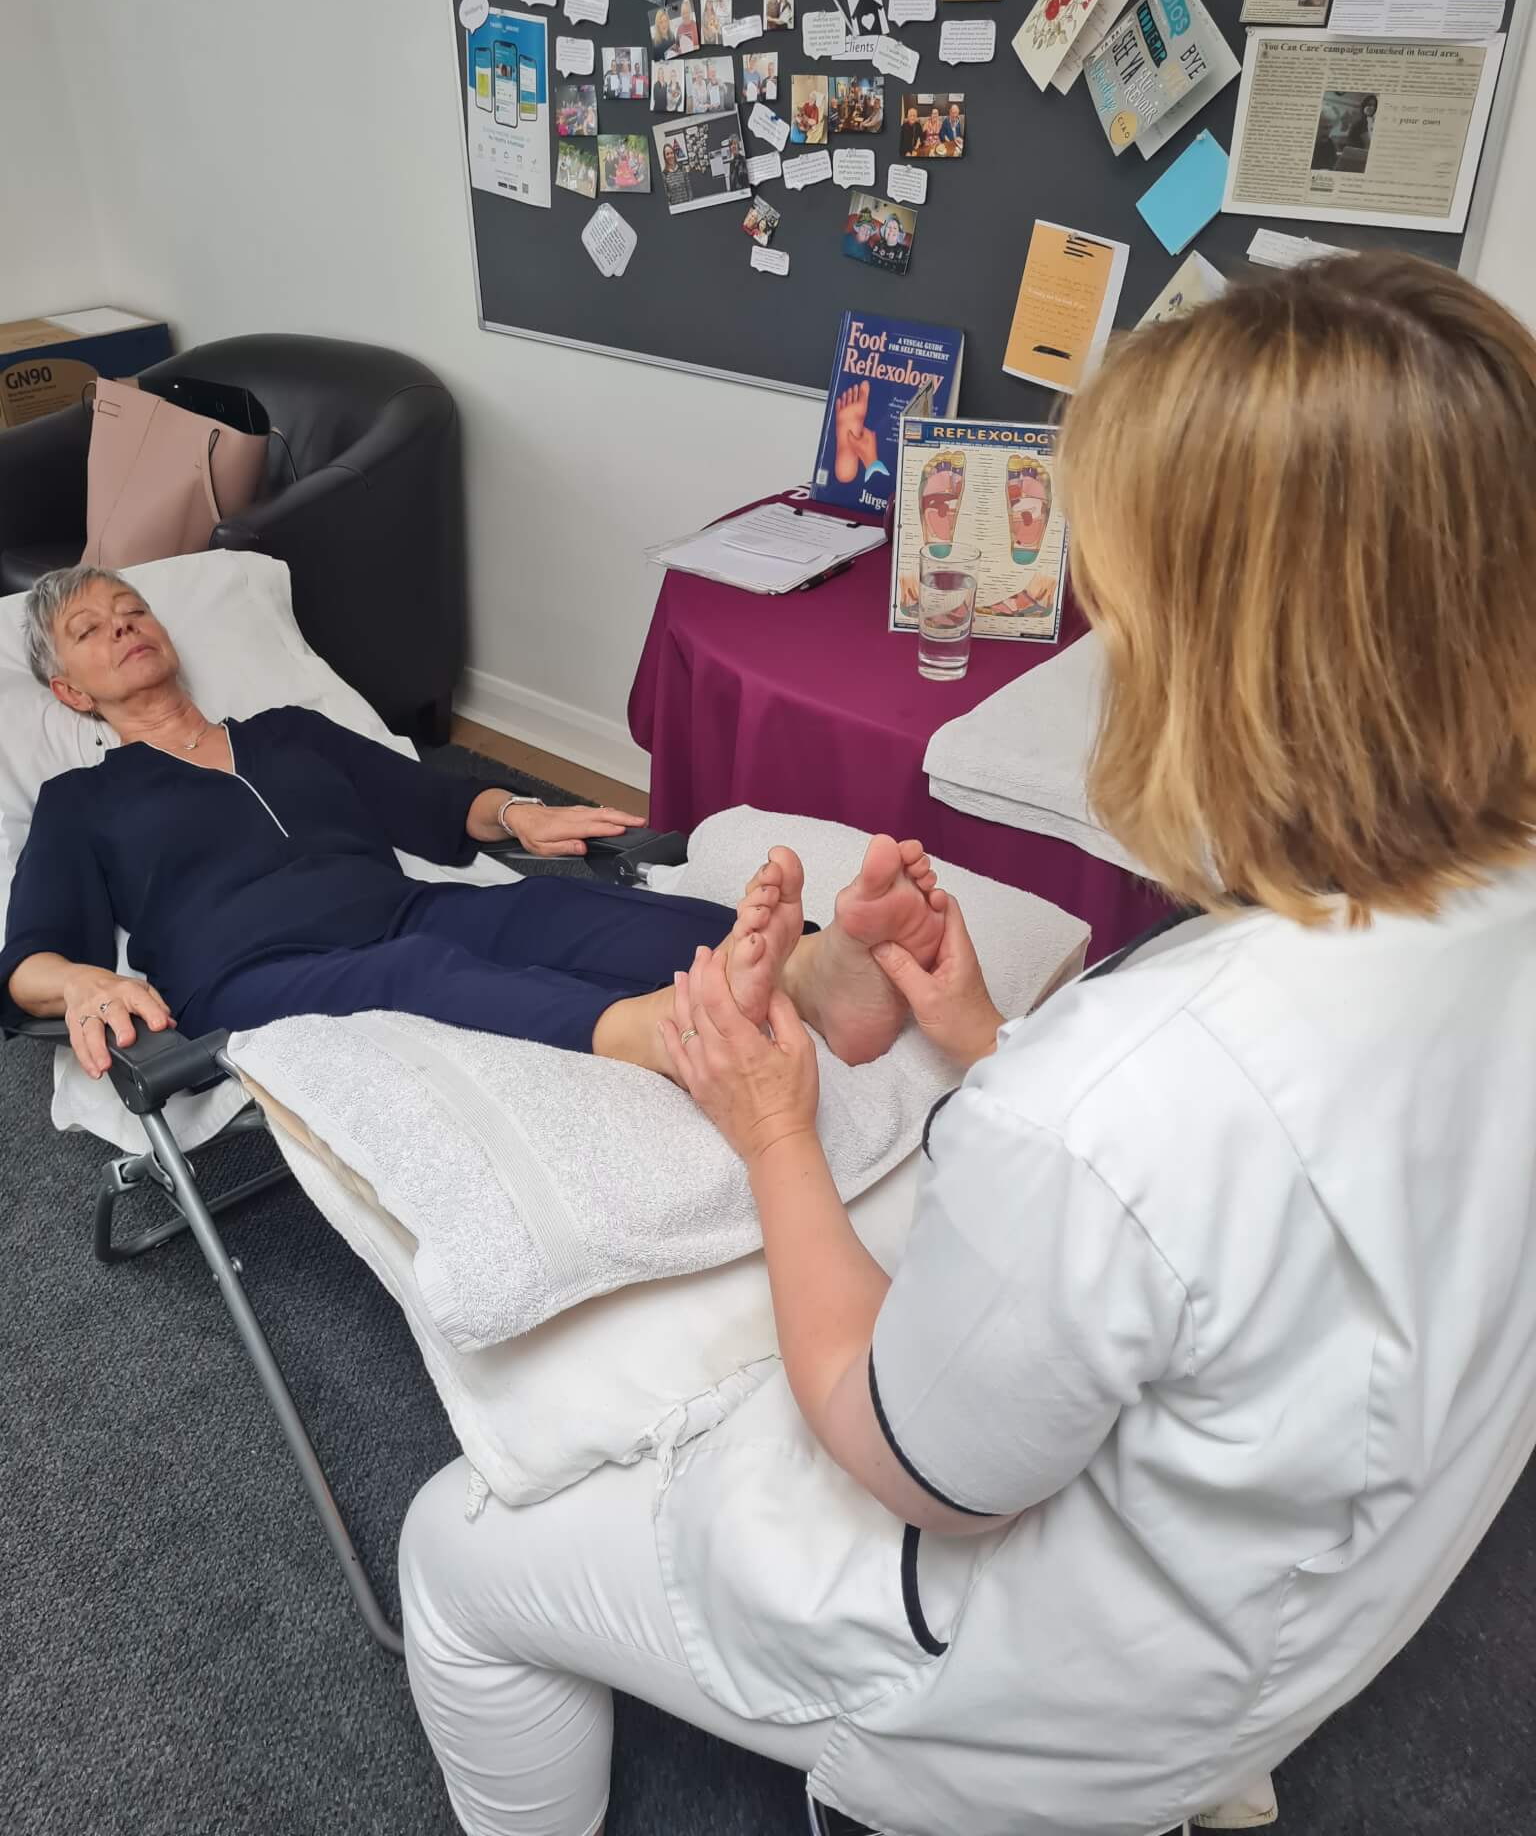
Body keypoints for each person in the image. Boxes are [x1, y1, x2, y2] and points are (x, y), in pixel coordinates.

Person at [400, 252, 1536, 1836]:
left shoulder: (1123, 1103)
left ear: (1234, 670)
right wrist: (986, 1035)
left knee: (456, 1551)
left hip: (1017, 1691)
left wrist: (773, 1127)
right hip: (1308, 1605)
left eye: (1118, 617)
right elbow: (1238, 1209)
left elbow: (911, 1458)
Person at [2, 569, 945, 1090]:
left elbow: (426, 799)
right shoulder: (86, 801)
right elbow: (28, 956)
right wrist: (82, 980)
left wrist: (519, 813)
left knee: (548, 919)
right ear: (70, 691)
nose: (125, 626)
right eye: (93, 629)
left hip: (401, 908)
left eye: (135, 611)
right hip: (248, 976)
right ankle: (653, 1035)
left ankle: (817, 972)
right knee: (422, 974)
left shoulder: (285, 731)